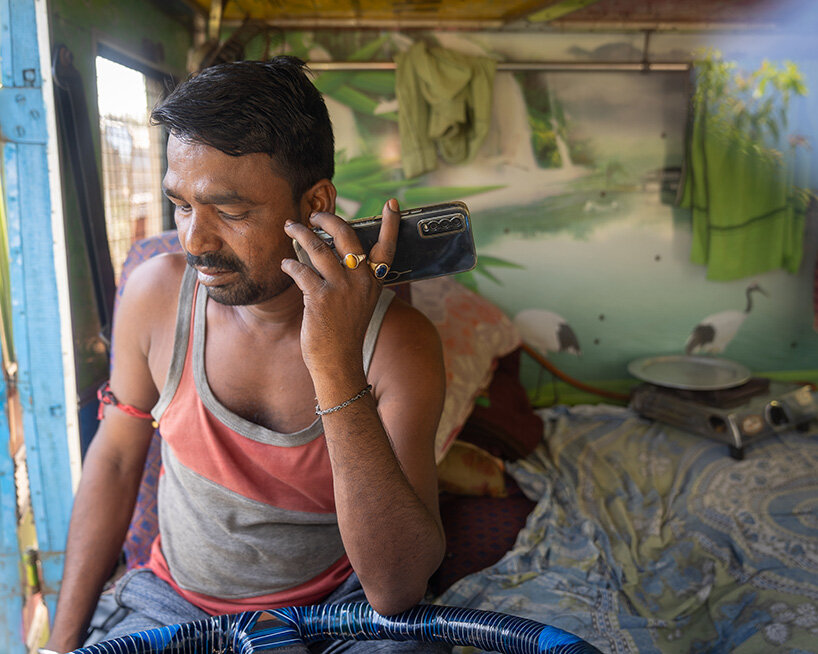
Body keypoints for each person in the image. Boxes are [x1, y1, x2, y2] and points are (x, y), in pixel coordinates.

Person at [44, 56, 447, 653]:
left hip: (339, 614)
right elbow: (116, 463)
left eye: (230, 212)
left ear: (315, 204)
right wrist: (60, 644)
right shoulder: (156, 297)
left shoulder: (396, 345)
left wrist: (334, 363)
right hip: (174, 604)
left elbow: (395, 588)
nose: (195, 242)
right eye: (181, 206)